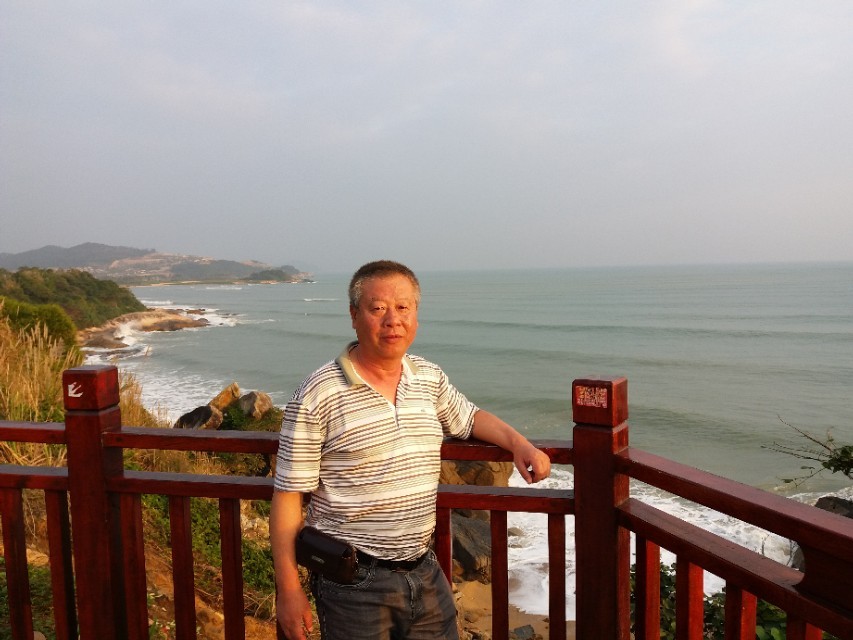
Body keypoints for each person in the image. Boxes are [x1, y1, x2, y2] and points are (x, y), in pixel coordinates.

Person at [271, 260, 551, 640]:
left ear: (416, 315)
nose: (393, 320)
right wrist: (288, 590)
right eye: (378, 308)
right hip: (352, 584)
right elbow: (288, 497)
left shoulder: (428, 377)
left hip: (424, 570)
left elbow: (469, 417)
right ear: (354, 316)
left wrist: (520, 444)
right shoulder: (318, 394)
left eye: (403, 307)